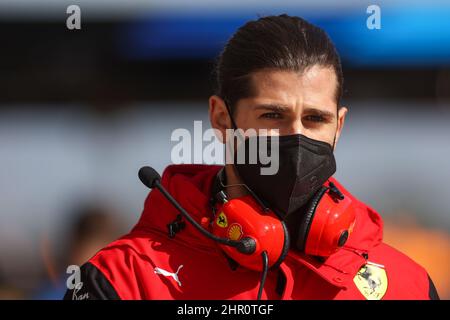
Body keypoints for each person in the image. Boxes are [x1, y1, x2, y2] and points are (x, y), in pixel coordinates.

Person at [64, 14, 439, 300]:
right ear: (222, 119)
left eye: (315, 119)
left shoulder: (409, 285)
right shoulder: (124, 281)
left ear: (338, 127)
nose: (296, 136)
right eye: (272, 116)